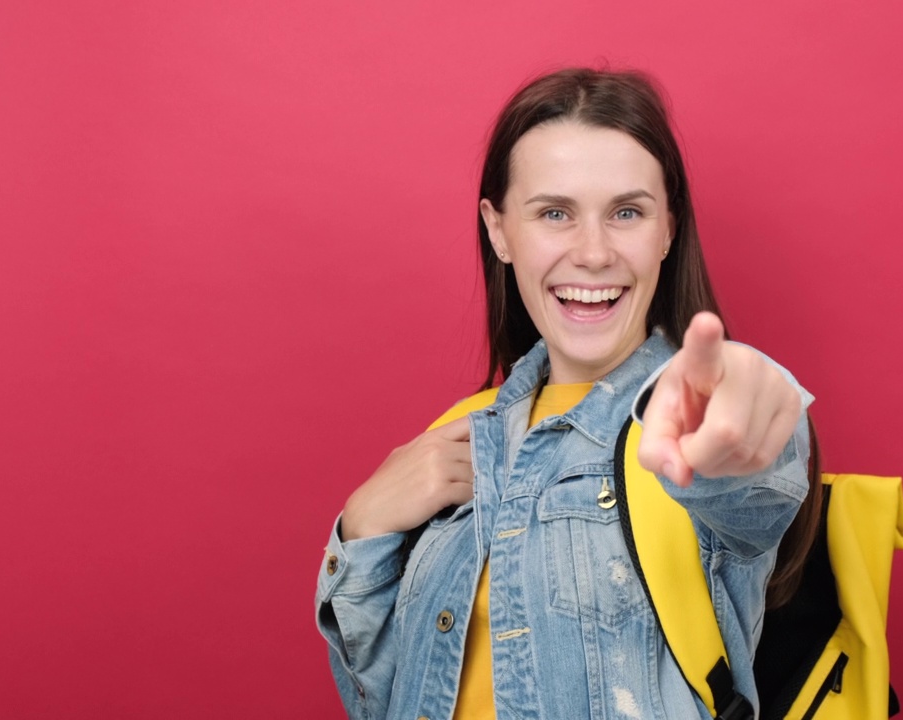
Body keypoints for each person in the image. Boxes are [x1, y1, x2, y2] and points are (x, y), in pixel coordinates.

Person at [315, 67, 821, 719]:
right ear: (499, 231)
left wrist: (749, 416)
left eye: (627, 213)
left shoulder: (690, 420)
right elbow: (383, 701)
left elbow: (754, 477)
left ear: (667, 230)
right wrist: (362, 528)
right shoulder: (461, 435)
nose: (592, 252)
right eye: (555, 213)